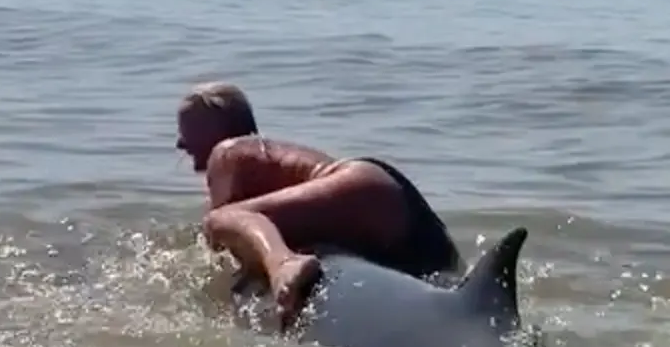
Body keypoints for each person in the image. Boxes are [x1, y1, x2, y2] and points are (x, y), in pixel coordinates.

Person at [175, 81, 464, 326]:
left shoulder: (227, 152)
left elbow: (226, 237)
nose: (180, 144)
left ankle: (285, 263)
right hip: (385, 200)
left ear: (215, 125)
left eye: (186, 129)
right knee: (443, 280)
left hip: (360, 188)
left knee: (219, 222)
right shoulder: (261, 158)